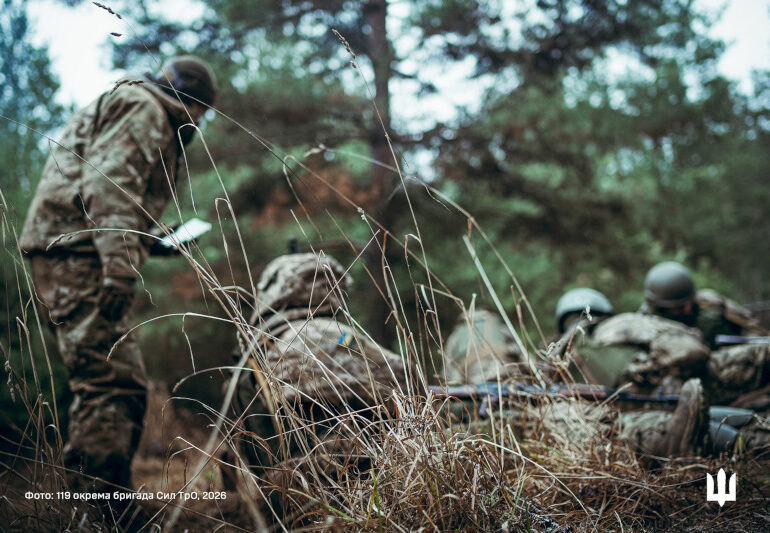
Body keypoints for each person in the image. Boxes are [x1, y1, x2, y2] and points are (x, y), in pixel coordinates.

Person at [20, 56, 218, 495]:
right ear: (196, 104)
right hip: (80, 256)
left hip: (76, 249)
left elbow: (104, 191)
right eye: (203, 113)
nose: (201, 124)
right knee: (110, 385)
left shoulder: (136, 102)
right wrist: (117, 266)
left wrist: (148, 242)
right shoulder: (146, 107)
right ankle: (100, 511)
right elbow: (108, 185)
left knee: (109, 382)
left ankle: (98, 503)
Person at [230, 252, 410, 507]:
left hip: (293, 494)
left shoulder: (257, 352)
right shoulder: (343, 335)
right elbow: (411, 384)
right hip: (376, 488)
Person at [641, 261, 766, 349]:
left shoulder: (710, 303)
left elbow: (751, 328)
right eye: (678, 308)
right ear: (661, 308)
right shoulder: (647, 325)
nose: (687, 309)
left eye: (688, 302)